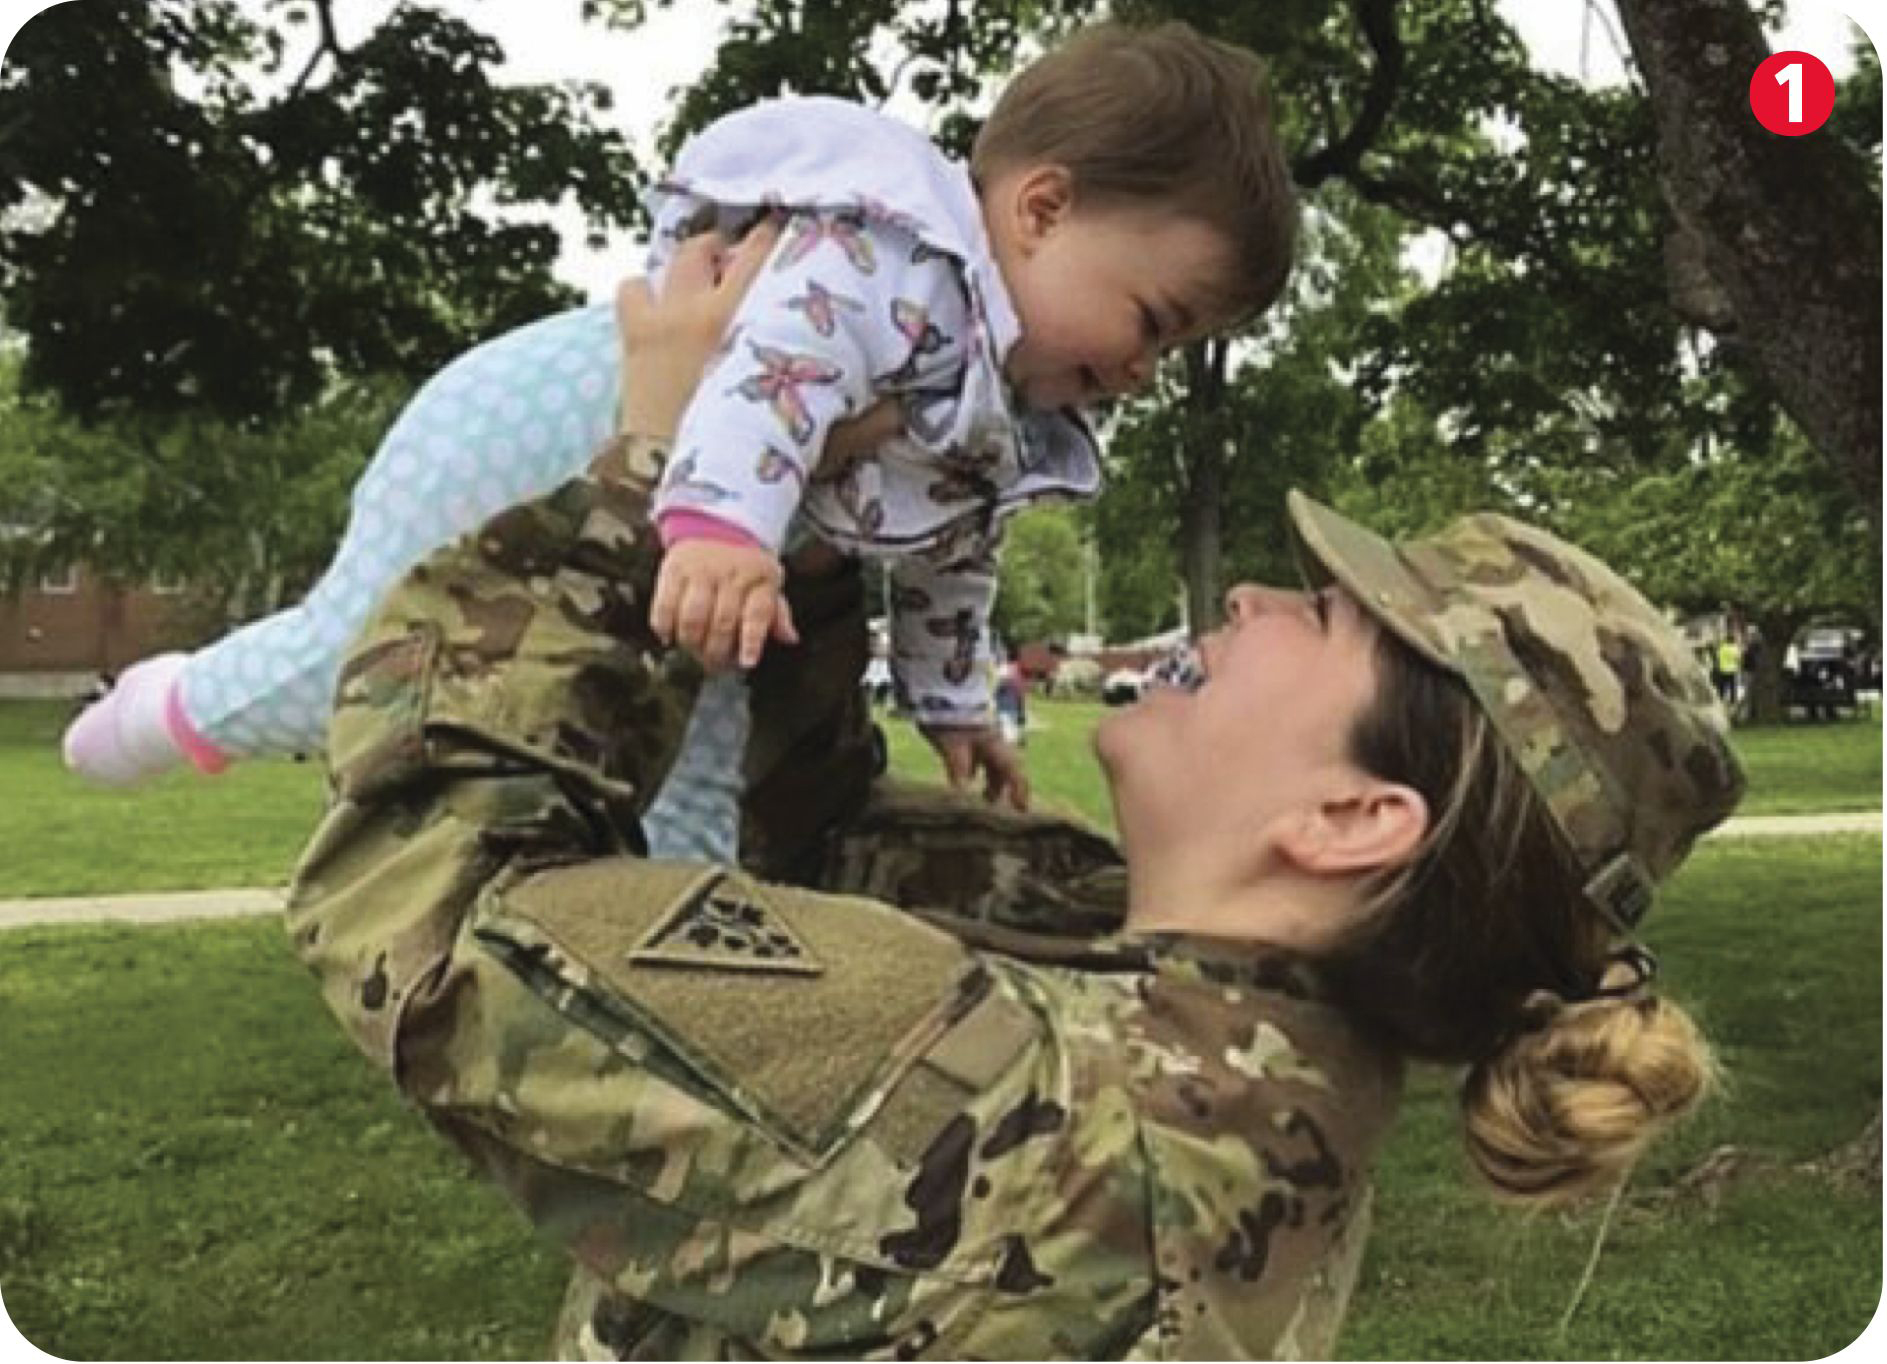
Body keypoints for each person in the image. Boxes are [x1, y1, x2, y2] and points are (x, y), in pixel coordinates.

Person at [282, 235, 1747, 1359]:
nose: (1245, 597)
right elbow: (812, 847)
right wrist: (794, 504)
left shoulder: (1010, 1100)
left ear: (1354, 821)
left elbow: (424, 909)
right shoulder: (1246, 1017)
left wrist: (656, 472)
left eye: (1321, 616)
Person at [62, 20, 1297, 853]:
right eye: (1154, 318)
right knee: (359, 659)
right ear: (1042, 208)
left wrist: (953, 698)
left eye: (1172, 351)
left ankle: (691, 959)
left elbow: (948, 559)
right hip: (555, 428)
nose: (1142, 369)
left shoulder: (1007, 400)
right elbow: (768, 380)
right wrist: (717, 528)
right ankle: (173, 707)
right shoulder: (893, 262)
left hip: (701, 542)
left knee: (691, 779)